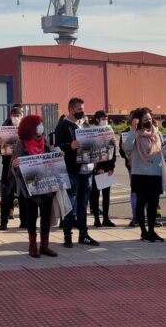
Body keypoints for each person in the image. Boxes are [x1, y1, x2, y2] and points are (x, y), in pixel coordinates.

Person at [10, 115, 57, 258]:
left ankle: (44, 245)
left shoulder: (44, 141)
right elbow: (13, 162)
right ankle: (32, 246)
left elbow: (50, 157)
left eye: (41, 124)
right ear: (30, 127)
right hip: (30, 187)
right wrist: (15, 164)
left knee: (46, 215)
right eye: (38, 124)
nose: (40, 126)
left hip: (46, 185)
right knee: (32, 216)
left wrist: (57, 154)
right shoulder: (22, 143)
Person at [55, 97, 99, 248]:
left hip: (87, 170)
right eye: (79, 109)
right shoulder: (62, 126)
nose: (82, 111)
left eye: (83, 109)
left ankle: (83, 234)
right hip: (73, 171)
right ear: (71, 109)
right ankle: (67, 235)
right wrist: (70, 146)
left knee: (83, 204)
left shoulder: (85, 126)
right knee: (70, 204)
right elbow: (58, 147)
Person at [123, 107, 166, 242]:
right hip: (140, 174)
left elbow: (162, 149)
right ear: (138, 121)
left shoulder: (156, 134)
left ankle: (152, 230)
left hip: (155, 173)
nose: (149, 122)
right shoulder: (135, 135)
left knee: (153, 204)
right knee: (141, 203)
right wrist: (133, 130)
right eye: (145, 120)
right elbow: (127, 149)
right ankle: (143, 231)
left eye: (150, 119)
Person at [0, 104, 27, 230]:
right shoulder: (5, 129)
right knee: (6, 195)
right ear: (10, 116)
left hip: (22, 166)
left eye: (18, 115)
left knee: (23, 195)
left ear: (22, 116)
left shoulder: (26, 129)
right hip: (7, 166)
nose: (16, 118)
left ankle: (24, 221)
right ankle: (3, 222)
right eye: (14, 115)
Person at [88, 110, 116, 227]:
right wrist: (97, 168)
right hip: (97, 169)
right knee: (95, 195)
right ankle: (96, 219)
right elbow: (91, 151)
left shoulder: (110, 131)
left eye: (107, 118)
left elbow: (113, 152)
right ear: (97, 119)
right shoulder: (92, 132)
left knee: (106, 195)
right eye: (103, 118)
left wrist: (112, 167)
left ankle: (105, 218)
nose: (106, 120)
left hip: (107, 167)